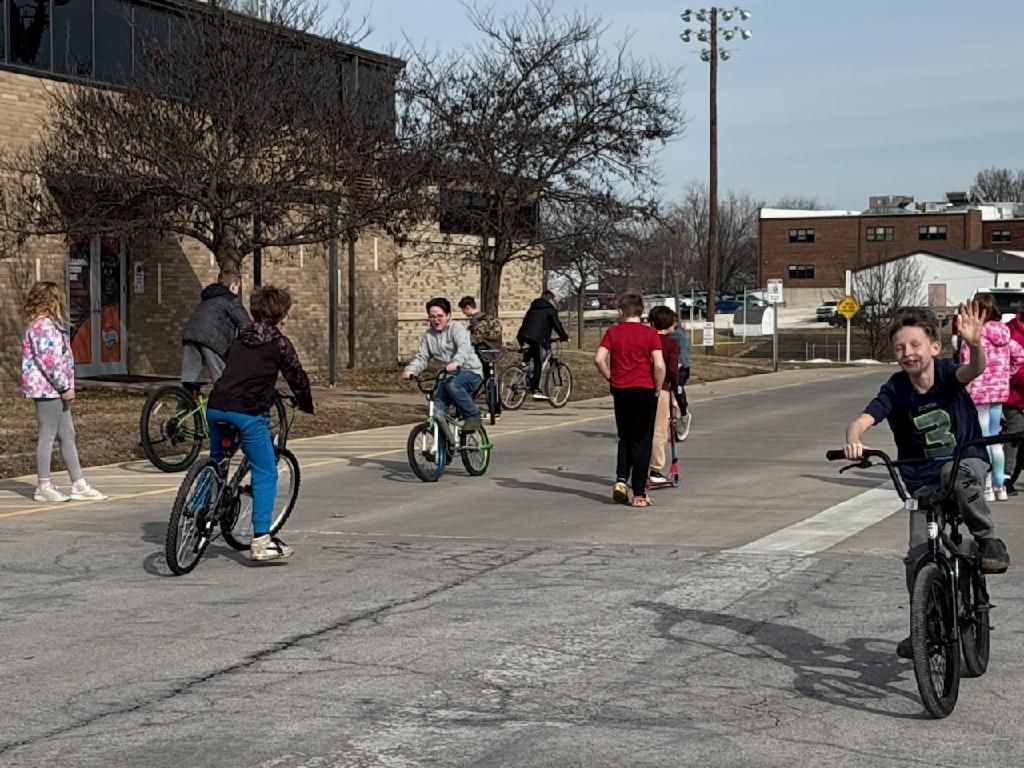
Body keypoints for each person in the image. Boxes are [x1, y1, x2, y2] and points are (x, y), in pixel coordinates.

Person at [842, 305, 1009, 659]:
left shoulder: (948, 373)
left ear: (934, 347)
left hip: (966, 464)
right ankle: (925, 623)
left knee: (954, 473)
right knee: (918, 554)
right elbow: (864, 419)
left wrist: (975, 344)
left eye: (915, 345)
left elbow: (974, 369)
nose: (908, 353)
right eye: (900, 348)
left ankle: (987, 539)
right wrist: (854, 436)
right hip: (921, 481)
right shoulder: (897, 388)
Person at [206, 285, 314, 562]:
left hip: (217, 405)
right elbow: (297, 377)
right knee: (265, 471)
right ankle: (261, 541)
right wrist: (304, 401)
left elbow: (237, 364)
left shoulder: (240, 335)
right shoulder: (279, 343)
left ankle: (202, 511)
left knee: (218, 462)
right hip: (248, 412)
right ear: (282, 314)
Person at [21, 281, 107, 503]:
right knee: (48, 436)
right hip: (48, 390)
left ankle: (78, 483)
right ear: (52, 302)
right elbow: (50, 363)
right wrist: (64, 386)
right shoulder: (43, 327)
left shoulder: (46, 325)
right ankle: (43, 485)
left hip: (55, 389)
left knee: (67, 435)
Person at [594, 293, 665, 507]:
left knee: (625, 437)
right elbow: (659, 365)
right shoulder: (650, 334)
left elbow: (598, 358)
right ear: (641, 312)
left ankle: (621, 480)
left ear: (620, 312)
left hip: (621, 389)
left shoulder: (613, 332)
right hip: (644, 389)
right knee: (642, 441)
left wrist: (610, 376)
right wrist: (658, 387)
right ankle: (639, 493)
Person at [959, 293, 1024, 501]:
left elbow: (965, 363)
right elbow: (1021, 355)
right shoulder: (1005, 333)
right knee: (996, 439)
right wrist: (1007, 373)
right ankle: (1000, 485)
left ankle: (986, 485)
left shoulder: (974, 336)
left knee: (983, 439)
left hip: (978, 394)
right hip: (999, 394)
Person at [402, 297, 484, 431]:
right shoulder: (429, 335)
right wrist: (412, 370)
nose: (436, 320)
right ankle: (442, 446)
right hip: (447, 376)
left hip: (470, 372)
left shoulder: (456, 328)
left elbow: (463, 348)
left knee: (453, 385)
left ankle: (473, 416)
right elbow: (422, 357)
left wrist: (456, 362)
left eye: (440, 316)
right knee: (437, 411)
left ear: (448, 316)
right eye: (432, 316)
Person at [181, 268, 251, 390]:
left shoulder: (208, 298)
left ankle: (185, 406)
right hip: (211, 340)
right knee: (222, 382)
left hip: (191, 336)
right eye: (238, 287)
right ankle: (223, 407)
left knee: (189, 382)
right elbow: (245, 324)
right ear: (233, 286)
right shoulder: (231, 299)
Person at [648, 306, 680, 486]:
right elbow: (673, 370)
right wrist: (676, 388)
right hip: (663, 388)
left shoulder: (645, 339)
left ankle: (637, 465)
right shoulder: (670, 344)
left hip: (642, 387)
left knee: (643, 429)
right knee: (660, 430)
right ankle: (655, 468)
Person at [516, 290, 569, 400]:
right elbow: (557, 325)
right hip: (537, 338)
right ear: (550, 299)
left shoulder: (533, 307)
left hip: (523, 335)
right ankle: (535, 389)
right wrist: (564, 336)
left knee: (530, 356)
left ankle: (524, 370)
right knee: (538, 362)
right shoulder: (549, 309)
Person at [458, 295, 503, 420]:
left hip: (482, 354)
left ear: (467, 308)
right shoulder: (491, 319)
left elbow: (473, 339)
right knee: (491, 380)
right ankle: (495, 408)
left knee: (478, 378)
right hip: (494, 352)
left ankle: (469, 405)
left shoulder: (477, 322)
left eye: (463, 310)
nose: (464, 314)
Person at [1002, 308, 1024, 495]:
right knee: (1013, 436)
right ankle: (1006, 477)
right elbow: (1008, 367)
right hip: (1014, 397)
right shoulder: (1008, 332)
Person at [668, 315, 692, 440]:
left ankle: (683, 413)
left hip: (681, 369)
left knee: (678, 389)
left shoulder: (678, 335)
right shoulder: (662, 336)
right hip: (668, 369)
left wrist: (680, 363)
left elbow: (684, 351)